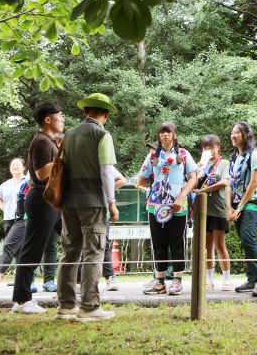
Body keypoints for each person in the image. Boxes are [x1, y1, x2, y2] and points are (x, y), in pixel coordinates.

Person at [54, 93, 120, 321]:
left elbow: (60, 167)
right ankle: (90, 306)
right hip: (93, 203)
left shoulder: (68, 134)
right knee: (94, 252)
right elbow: (106, 172)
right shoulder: (103, 135)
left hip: (68, 202)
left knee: (69, 252)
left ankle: (65, 305)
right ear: (107, 115)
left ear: (85, 112)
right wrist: (112, 203)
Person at [11, 102, 64, 315]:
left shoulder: (49, 141)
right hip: (42, 199)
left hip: (52, 200)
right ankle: (22, 301)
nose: (63, 120)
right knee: (32, 248)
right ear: (48, 120)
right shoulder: (41, 141)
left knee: (72, 240)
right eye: (60, 117)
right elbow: (42, 173)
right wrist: (65, 157)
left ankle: (72, 290)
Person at [135, 122, 198, 296]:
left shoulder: (183, 154)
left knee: (178, 241)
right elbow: (140, 180)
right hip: (156, 205)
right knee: (158, 242)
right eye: (162, 132)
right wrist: (156, 185)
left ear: (175, 135)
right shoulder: (153, 156)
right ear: (158, 136)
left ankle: (177, 280)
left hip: (178, 205)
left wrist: (180, 196)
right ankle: (159, 280)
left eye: (168, 132)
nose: (165, 135)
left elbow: (193, 179)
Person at [227, 121, 257, 297]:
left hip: (253, 202)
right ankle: (252, 279)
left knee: (249, 238)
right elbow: (229, 183)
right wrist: (229, 207)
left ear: (246, 135)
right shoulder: (234, 158)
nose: (233, 136)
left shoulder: (255, 155)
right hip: (237, 204)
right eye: (232, 133)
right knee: (245, 240)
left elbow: (254, 183)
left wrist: (240, 207)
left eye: (237, 133)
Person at [191, 135, 233, 291]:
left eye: (211, 147)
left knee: (220, 245)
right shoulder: (201, 165)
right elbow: (193, 185)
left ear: (218, 147)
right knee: (206, 247)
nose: (209, 150)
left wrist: (203, 190)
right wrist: (197, 170)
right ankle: (209, 280)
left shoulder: (224, 163)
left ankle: (227, 280)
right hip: (203, 211)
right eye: (205, 148)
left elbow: (224, 182)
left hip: (218, 209)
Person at [0, 158, 29, 287]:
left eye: (18, 165)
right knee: (18, 250)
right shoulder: (7, 184)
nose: (15, 167)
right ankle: (21, 280)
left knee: (9, 246)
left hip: (23, 219)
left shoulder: (28, 181)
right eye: (12, 165)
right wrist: (4, 207)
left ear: (24, 168)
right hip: (8, 219)